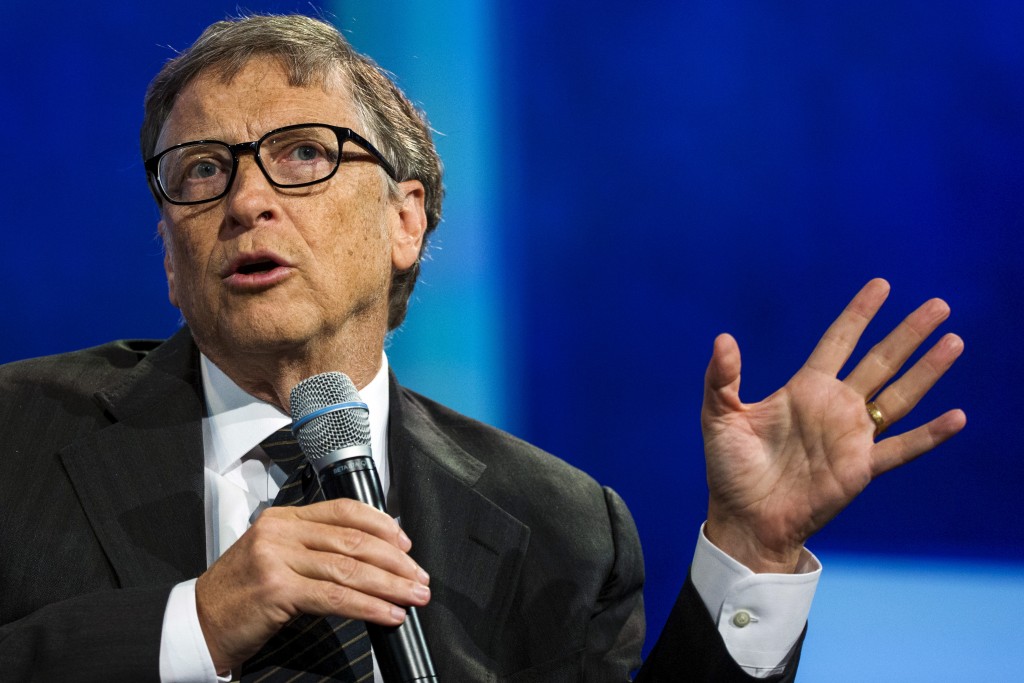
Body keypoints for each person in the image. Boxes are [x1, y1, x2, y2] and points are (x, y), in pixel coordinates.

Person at [0, 14, 965, 683]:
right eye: (201, 171)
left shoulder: (563, 526)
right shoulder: (18, 434)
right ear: (170, 258)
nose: (247, 200)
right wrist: (196, 625)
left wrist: (752, 551)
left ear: (404, 220)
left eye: (303, 155)